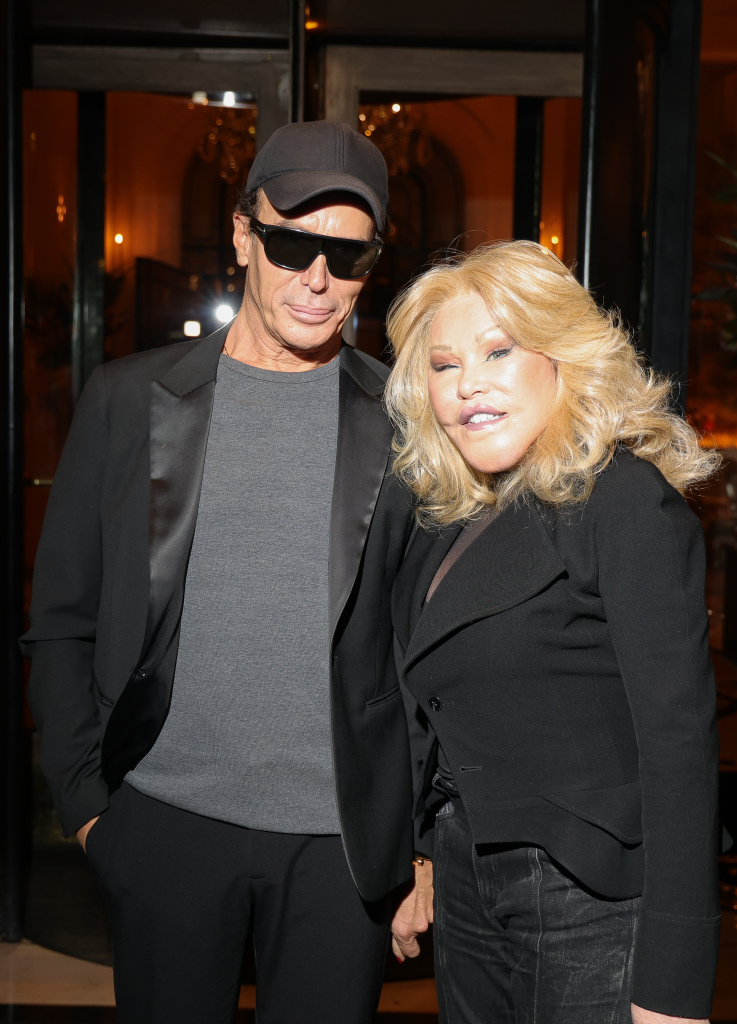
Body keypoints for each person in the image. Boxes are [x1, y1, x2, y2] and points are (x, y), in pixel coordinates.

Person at [21, 120, 424, 1024]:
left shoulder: (404, 421)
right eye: (291, 245)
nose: (317, 280)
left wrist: (421, 846)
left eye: (346, 258)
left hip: (341, 848)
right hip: (164, 823)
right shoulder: (129, 400)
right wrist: (88, 808)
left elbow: (424, 648)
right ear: (244, 234)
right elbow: (62, 618)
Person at [384, 240, 721, 1024]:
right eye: (443, 365)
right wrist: (425, 854)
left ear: (563, 359)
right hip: (471, 878)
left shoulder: (625, 503)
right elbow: (436, 704)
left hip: (590, 902)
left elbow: (679, 751)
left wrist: (673, 981)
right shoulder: (458, 512)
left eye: (498, 352)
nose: (468, 385)